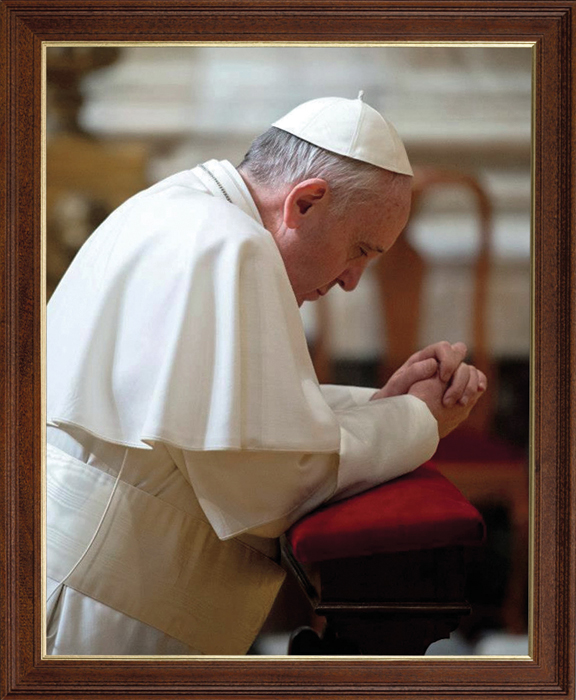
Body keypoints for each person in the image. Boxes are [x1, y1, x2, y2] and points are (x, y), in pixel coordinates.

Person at [45, 93, 486, 656]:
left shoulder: (173, 207)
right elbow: (272, 480)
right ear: (305, 202)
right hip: (99, 617)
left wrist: (380, 403)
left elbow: (222, 412)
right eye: (359, 249)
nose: (352, 281)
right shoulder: (232, 247)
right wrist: (419, 419)